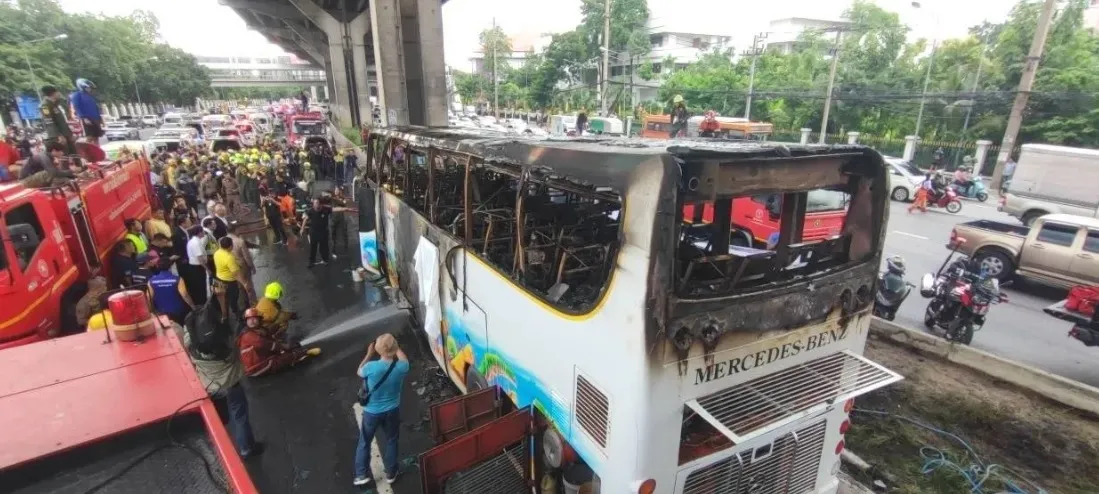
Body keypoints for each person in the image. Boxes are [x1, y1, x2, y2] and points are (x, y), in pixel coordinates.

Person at [173, 302, 264, 459]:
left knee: (221, 421)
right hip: (231, 385)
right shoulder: (226, 350)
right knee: (239, 415)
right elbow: (235, 351)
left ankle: (226, 453)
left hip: (210, 387)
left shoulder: (194, 348)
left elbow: (187, 337)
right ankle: (247, 448)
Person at [353, 333, 410, 487]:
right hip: (392, 411)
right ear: (396, 348)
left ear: (378, 350)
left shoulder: (371, 367)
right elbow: (404, 359)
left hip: (371, 412)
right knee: (391, 440)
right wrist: (396, 347)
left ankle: (361, 475)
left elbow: (359, 370)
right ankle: (391, 473)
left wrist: (368, 354)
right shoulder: (401, 367)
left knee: (365, 442)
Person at [237, 308, 319, 377]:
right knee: (282, 359)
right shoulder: (247, 335)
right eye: (249, 319)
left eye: (254, 318)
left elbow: (271, 340)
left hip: (262, 360)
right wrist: (284, 347)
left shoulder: (257, 330)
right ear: (246, 321)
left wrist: (285, 347)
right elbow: (266, 344)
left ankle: (297, 354)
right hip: (256, 368)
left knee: (282, 352)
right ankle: (303, 354)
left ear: (259, 320)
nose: (252, 321)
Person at [301, 198, 351, 266]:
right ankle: (311, 262)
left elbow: (335, 209)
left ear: (320, 204)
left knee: (324, 248)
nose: (316, 205)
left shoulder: (325, 209)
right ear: (313, 204)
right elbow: (305, 219)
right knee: (313, 248)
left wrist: (345, 209)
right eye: (315, 203)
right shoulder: (310, 211)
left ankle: (325, 260)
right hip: (313, 232)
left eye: (317, 203)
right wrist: (302, 229)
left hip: (323, 232)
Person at [213, 236, 250, 323]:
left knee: (221, 300)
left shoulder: (217, 253)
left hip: (217, 279)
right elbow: (236, 274)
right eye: (232, 245)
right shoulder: (229, 257)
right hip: (229, 282)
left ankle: (224, 317)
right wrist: (245, 284)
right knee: (233, 299)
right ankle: (237, 315)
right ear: (230, 246)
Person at [148, 258, 195, 325]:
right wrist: (193, 306)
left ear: (158, 266)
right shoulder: (177, 279)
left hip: (161, 312)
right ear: (170, 266)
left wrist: (151, 311)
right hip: (178, 311)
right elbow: (185, 295)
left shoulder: (151, 281)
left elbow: (149, 297)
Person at [38, 85, 76, 157]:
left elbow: (62, 122)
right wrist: (59, 136)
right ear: (54, 93)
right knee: (64, 155)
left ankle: (78, 167)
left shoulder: (54, 104)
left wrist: (69, 134)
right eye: (58, 92)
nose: (59, 94)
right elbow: (49, 122)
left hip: (65, 133)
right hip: (58, 136)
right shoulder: (45, 105)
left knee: (73, 153)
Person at [184, 225, 211, 305]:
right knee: (201, 287)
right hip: (197, 267)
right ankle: (202, 304)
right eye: (202, 231)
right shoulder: (195, 243)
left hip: (195, 267)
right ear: (199, 233)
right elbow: (199, 258)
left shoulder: (194, 241)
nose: (204, 233)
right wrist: (207, 269)